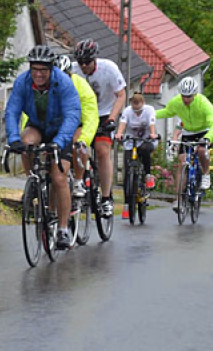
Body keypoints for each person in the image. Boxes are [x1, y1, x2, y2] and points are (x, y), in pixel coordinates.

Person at [5, 45, 80, 249]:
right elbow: (12, 111)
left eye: (43, 70)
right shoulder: (23, 81)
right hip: (38, 125)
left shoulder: (63, 82)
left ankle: (63, 229)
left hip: (60, 130)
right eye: (34, 69)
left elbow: (73, 113)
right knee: (26, 143)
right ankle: (34, 181)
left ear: (51, 69)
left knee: (58, 177)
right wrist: (13, 139)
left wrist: (60, 141)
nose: (38, 74)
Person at [72, 39, 126, 216]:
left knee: (103, 152)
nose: (84, 66)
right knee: (78, 144)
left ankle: (105, 197)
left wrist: (112, 118)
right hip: (84, 114)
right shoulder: (73, 70)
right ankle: (78, 181)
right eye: (80, 62)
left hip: (103, 114)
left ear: (95, 59)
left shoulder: (109, 68)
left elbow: (121, 95)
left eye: (87, 62)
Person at [156, 77, 213, 211]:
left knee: (201, 151)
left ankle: (206, 174)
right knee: (182, 162)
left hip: (203, 131)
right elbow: (166, 112)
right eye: (184, 96)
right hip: (188, 133)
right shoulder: (177, 102)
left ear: (195, 94)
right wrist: (149, 114)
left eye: (189, 97)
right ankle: (178, 199)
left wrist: (208, 138)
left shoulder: (204, 103)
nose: (186, 99)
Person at [55, 55, 98, 199]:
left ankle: (78, 181)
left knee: (78, 144)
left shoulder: (81, 86)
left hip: (77, 123)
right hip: (56, 125)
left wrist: (84, 139)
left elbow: (91, 116)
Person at [115, 92, 158, 219]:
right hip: (131, 142)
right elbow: (122, 124)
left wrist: (153, 134)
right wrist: (119, 134)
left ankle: (148, 175)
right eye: (135, 111)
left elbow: (152, 125)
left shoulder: (149, 110)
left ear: (143, 104)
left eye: (139, 111)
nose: (137, 113)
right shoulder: (127, 111)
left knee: (145, 150)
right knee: (127, 174)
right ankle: (127, 205)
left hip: (146, 141)